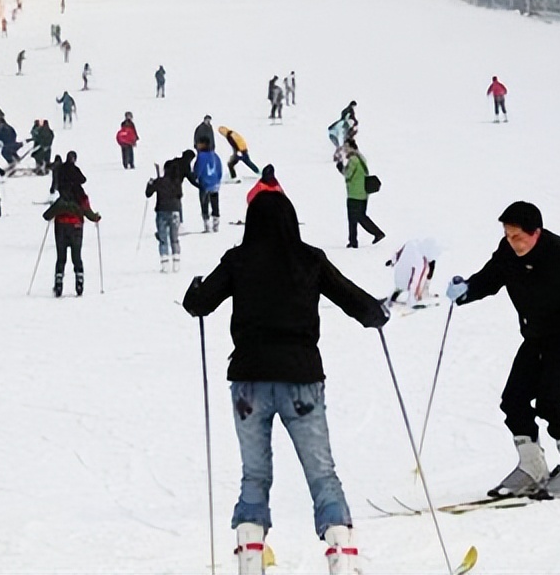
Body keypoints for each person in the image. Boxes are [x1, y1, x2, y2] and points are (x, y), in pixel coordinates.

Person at [181, 191, 388, 575]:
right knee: (322, 473)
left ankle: (250, 558)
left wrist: (194, 290)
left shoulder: (237, 260)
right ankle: (341, 557)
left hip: (248, 381)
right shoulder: (309, 258)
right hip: (301, 378)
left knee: (254, 474)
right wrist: (376, 313)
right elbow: (352, 299)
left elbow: (198, 304)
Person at [443, 201, 560, 498]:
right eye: (508, 236)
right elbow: (491, 277)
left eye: (518, 236)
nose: (512, 242)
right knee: (513, 400)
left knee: (550, 401)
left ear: (536, 233)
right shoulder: (508, 251)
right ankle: (532, 467)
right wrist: (468, 289)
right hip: (536, 336)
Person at [42, 186, 101, 296]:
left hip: (61, 229)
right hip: (76, 228)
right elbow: (89, 214)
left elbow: (46, 215)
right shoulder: (81, 199)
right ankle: (79, 282)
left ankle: (58, 283)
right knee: (76, 257)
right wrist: (96, 217)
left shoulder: (61, 201)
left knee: (61, 258)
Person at [338, 139, 384, 248]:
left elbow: (348, 174)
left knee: (355, 218)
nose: (344, 151)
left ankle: (374, 234)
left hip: (354, 193)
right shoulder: (361, 158)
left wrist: (341, 167)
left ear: (351, 147)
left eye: (346, 148)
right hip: (363, 193)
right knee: (359, 216)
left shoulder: (353, 160)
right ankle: (353, 241)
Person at [146, 165, 183, 272]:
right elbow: (180, 195)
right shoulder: (177, 182)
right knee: (174, 238)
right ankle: (176, 262)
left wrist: (150, 184)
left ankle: (165, 264)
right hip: (175, 211)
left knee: (163, 239)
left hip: (161, 211)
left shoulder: (159, 181)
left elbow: (148, 194)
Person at [385, 238, 438, 306]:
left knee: (402, 283)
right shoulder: (420, 260)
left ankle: (395, 296)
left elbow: (399, 252)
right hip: (408, 275)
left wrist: (392, 260)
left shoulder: (411, 244)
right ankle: (417, 295)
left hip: (401, 273)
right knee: (409, 282)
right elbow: (416, 278)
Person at [194, 139, 224, 232]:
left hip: (205, 184)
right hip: (215, 183)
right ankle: (216, 223)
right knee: (215, 203)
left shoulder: (201, 156)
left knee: (204, 203)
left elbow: (198, 169)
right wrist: (218, 179)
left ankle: (207, 224)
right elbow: (220, 168)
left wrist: (195, 177)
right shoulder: (215, 155)